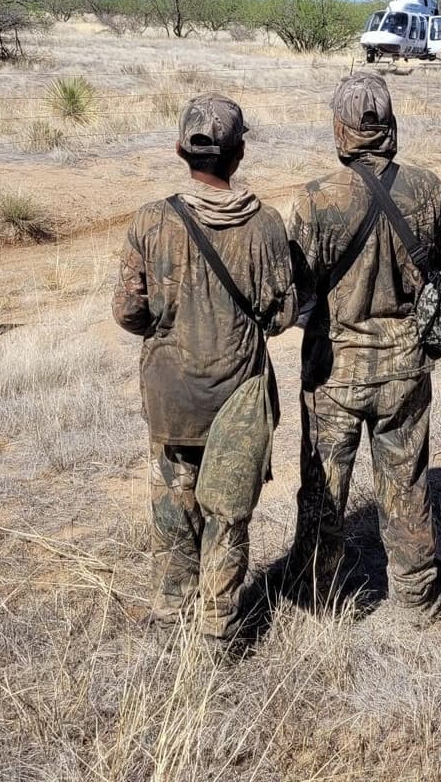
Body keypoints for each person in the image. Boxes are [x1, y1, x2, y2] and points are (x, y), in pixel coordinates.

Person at [112, 95, 296, 643]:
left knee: (175, 504)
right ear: (238, 154)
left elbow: (127, 311)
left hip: (171, 395)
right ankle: (218, 626)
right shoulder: (265, 225)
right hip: (240, 397)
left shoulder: (150, 221)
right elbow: (283, 313)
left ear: (179, 151)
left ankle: (171, 613)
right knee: (229, 513)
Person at [287, 71, 441, 618]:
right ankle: (419, 598)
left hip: (334, 372)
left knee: (323, 491)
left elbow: (296, 294)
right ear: (390, 126)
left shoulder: (316, 201)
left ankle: (316, 599)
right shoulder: (427, 188)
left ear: (339, 130)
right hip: (407, 365)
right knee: (407, 486)